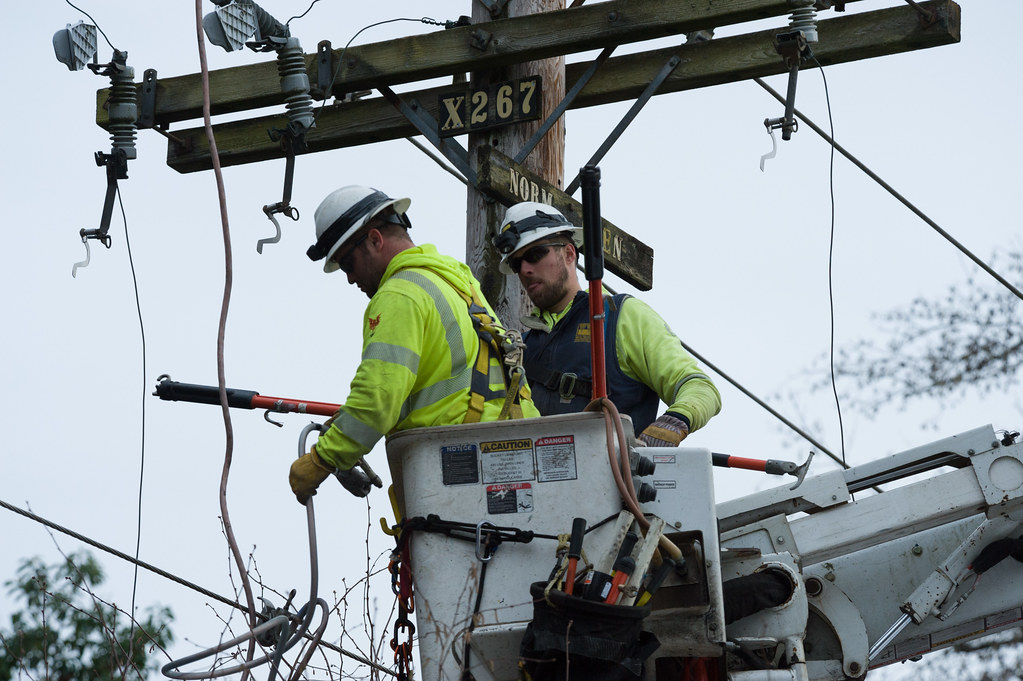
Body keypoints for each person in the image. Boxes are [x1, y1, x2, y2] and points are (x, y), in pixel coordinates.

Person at [289, 186, 540, 504]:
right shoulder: (456, 281)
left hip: (462, 469)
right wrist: (347, 426)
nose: (351, 279)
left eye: (348, 264)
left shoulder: (399, 294)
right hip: (516, 458)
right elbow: (443, 380)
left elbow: (377, 399)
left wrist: (321, 459)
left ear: (375, 240)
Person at [492, 201, 720, 446]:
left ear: (569, 253)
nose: (525, 269)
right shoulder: (520, 350)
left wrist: (674, 422)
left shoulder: (619, 317)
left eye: (535, 255)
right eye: (517, 263)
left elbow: (700, 387)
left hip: (617, 480)